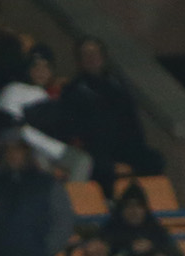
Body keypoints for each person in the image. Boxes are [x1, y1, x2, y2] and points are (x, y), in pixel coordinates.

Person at [60, 38, 163, 188]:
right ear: (79, 60)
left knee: (154, 160)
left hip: (124, 148)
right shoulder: (72, 90)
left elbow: (133, 122)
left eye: (95, 54)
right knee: (102, 168)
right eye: (87, 55)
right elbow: (74, 129)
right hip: (95, 151)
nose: (92, 58)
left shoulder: (118, 86)